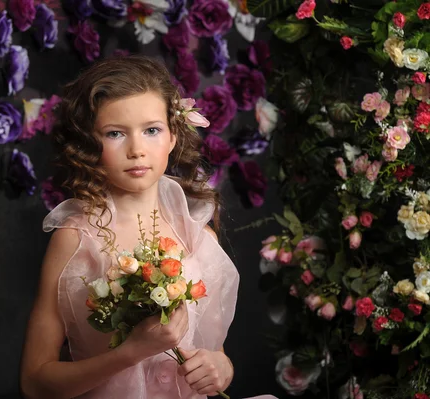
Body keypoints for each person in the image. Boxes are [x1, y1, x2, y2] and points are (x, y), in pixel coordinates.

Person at [20, 55, 276, 399]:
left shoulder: (198, 237)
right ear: (90, 145)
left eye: (152, 130)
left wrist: (221, 367)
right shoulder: (76, 239)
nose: (137, 150)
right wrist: (129, 352)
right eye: (115, 134)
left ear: (173, 136)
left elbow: (215, 352)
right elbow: (35, 382)